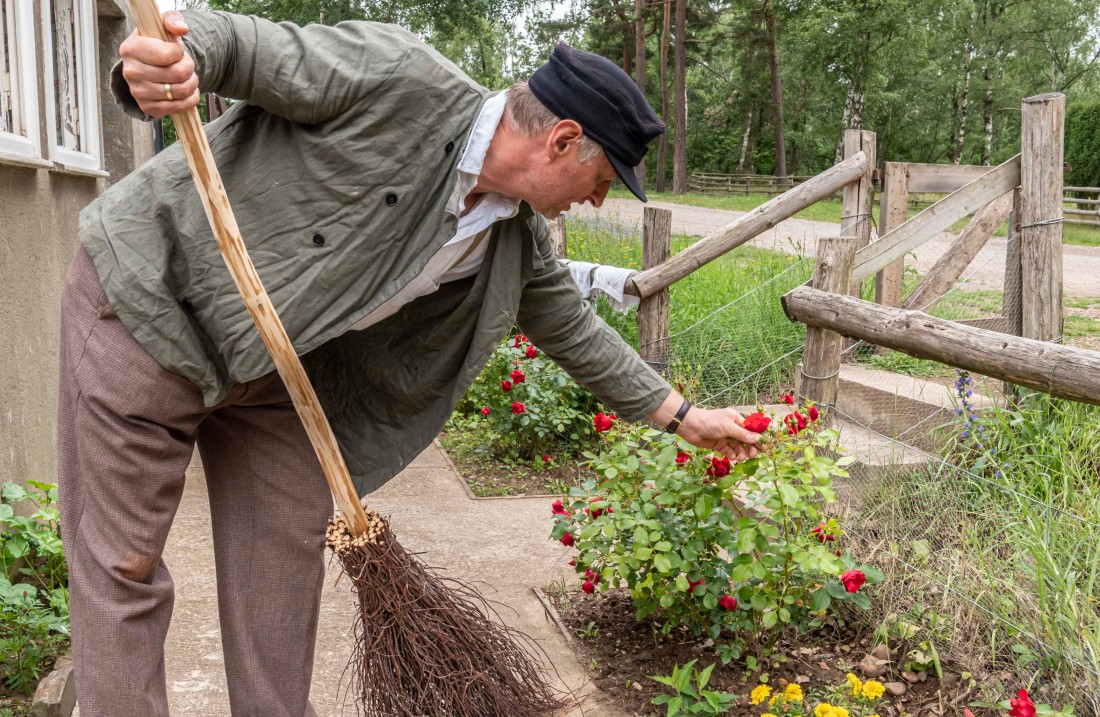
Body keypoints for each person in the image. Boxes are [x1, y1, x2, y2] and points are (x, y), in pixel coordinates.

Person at [59, 9, 763, 716]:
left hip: (276, 371)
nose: (598, 197)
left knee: (279, 565)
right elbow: (244, 47)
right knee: (122, 563)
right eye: (604, 178)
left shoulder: (514, 235)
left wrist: (683, 417)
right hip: (153, 303)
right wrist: (177, 60)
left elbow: (574, 329)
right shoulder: (399, 79)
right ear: (563, 139)